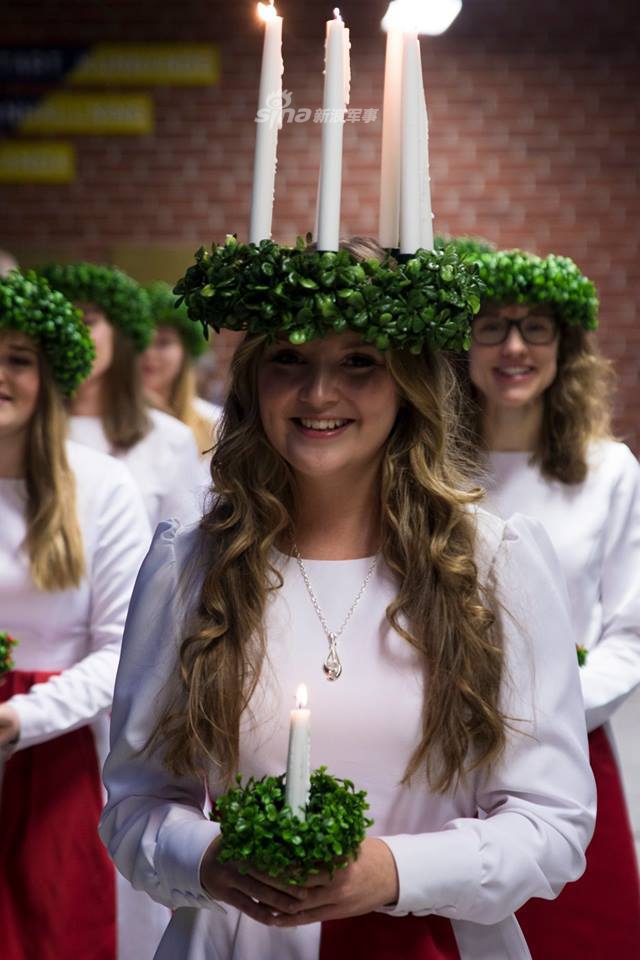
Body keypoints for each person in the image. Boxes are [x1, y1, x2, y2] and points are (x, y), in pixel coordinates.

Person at [100, 238, 596, 960]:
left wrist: (394, 871)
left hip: (430, 938)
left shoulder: (494, 564)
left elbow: (553, 823)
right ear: (253, 382)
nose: (319, 394)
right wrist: (208, 859)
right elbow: (137, 806)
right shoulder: (191, 566)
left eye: (359, 363)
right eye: (289, 360)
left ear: (408, 384)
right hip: (240, 943)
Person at [457, 243, 640, 958]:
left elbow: (629, 632)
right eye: (492, 327)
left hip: (567, 746)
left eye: (536, 329)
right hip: (448, 748)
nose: (512, 347)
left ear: (565, 347)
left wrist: (544, 712)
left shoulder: (608, 471)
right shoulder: (432, 465)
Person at [0, 270, 155, 959]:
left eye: (18, 359)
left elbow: (124, 650)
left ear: (52, 373)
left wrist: (19, 717)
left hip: (57, 752)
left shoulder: (101, 485)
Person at [38, 263, 204, 531]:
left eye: (86, 321)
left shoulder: (170, 439)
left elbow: (182, 553)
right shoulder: (21, 433)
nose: (68, 335)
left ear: (120, 334)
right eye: (59, 322)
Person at [141, 281, 221, 459]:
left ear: (186, 352)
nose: (149, 353)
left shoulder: (215, 425)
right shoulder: (102, 422)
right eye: (141, 341)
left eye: (163, 342)